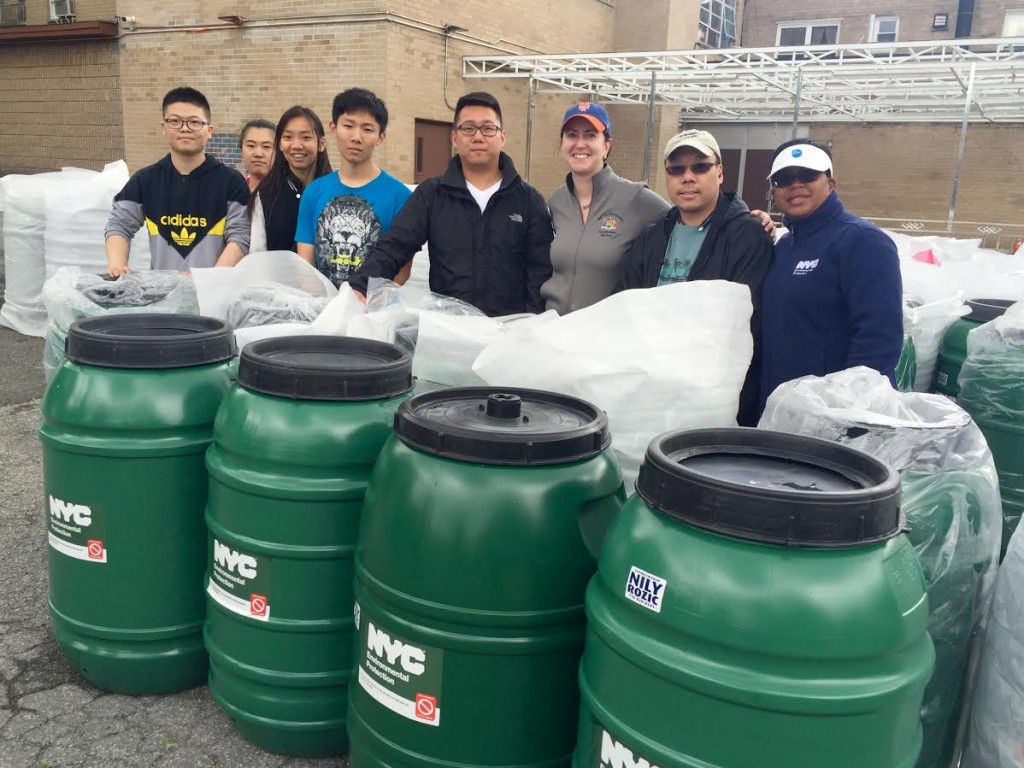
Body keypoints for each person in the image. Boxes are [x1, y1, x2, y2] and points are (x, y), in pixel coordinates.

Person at [350, 92, 553, 316]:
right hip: (449, 331)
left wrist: (529, 324)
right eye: (468, 128)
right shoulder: (433, 194)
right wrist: (360, 286)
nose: (478, 137)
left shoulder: (528, 200)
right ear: (454, 138)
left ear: (502, 136)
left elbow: (540, 272)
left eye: (488, 128)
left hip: (508, 333)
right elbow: (395, 245)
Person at [758, 139, 903, 411]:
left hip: (832, 415)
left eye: (808, 175)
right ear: (774, 191)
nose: (796, 184)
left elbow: (878, 340)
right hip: (784, 408)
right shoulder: (783, 247)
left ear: (831, 183)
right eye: (784, 178)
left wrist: (846, 414)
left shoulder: (862, 242)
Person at [541, 101, 670, 314]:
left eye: (590, 135)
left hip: (605, 336)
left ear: (607, 145)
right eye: (572, 135)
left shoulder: (635, 198)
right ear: (563, 143)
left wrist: (742, 218)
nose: (580, 144)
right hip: (554, 330)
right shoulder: (556, 201)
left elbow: (686, 218)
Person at [105, 86, 250, 276]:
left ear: (209, 131)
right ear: (163, 128)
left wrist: (209, 279)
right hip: (163, 296)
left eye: (195, 122)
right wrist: (117, 265)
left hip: (213, 295)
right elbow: (119, 224)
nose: (185, 128)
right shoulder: (145, 181)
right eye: (175, 121)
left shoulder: (231, 182)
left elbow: (241, 236)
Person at [295, 88, 411, 288]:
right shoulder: (314, 192)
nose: (356, 137)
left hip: (373, 311)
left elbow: (401, 272)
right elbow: (306, 265)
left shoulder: (400, 197)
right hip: (323, 309)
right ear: (333, 127)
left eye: (367, 129)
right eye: (348, 125)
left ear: (381, 136)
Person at [249, 106, 332, 253]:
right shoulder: (266, 193)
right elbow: (257, 251)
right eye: (287, 137)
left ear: (321, 144)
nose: (296, 145)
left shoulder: (335, 192)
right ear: (280, 144)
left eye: (306, 137)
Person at [238, 118, 276, 192]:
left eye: (266, 146)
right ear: (241, 149)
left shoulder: (290, 193)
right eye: (251, 146)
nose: (258, 154)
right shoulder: (234, 191)